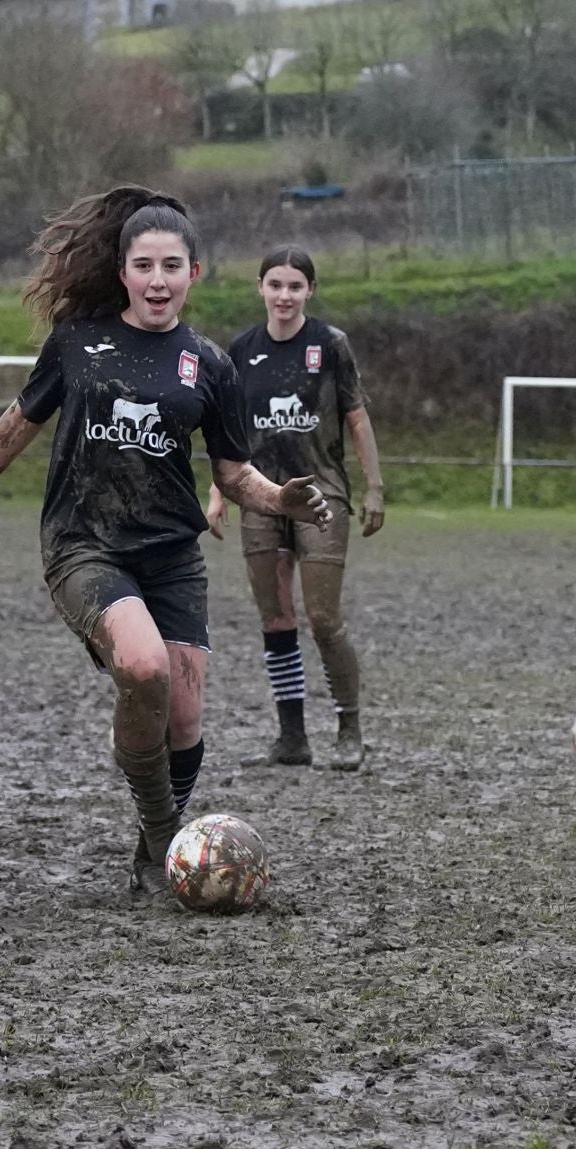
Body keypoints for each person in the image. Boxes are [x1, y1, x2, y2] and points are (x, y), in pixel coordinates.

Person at [0, 189, 330, 890]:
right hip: (85, 545)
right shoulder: (78, 343)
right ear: (122, 272)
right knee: (143, 668)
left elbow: (234, 474)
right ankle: (167, 831)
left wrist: (281, 498)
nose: (158, 279)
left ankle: (151, 846)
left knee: (184, 711)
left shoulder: (208, 364)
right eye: (144, 265)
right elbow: (13, 426)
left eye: (173, 265)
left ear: (194, 273)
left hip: (171, 552)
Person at [206, 246, 385, 771]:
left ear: (310, 291)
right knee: (276, 615)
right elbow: (227, 431)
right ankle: (292, 738)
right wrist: (219, 493)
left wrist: (374, 486)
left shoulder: (330, 345)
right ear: (259, 286)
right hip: (259, 494)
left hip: (320, 492)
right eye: (276, 285)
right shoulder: (240, 350)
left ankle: (349, 730)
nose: (285, 295)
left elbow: (357, 417)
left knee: (323, 617)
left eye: (295, 286)